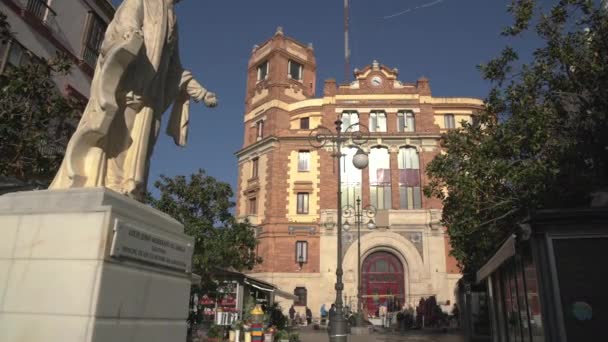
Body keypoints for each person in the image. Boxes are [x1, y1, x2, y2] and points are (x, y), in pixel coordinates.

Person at [49, 0, 217, 199]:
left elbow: (175, 68)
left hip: (152, 95)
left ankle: (132, 189)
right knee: (120, 140)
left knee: (144, 147)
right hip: (131, 87)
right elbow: (125, 22)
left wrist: (201, 93)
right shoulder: (142, 1)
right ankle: (112, 184)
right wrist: (130, 33)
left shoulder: (173, 18)